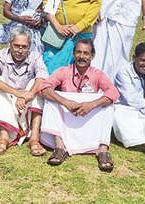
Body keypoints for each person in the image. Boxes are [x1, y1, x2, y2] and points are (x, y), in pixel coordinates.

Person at [39, 39, 119, 172]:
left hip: (88, 117)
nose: (82, 56)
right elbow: (44, 88)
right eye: (79, 52)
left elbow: (114, 92)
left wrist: (91, 105)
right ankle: (60, 148)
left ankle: (103, 150)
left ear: (92, 56)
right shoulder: (63, 71)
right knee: (51, 100)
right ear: (73, 54)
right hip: (67, 114)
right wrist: (66, 102)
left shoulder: (97, 74)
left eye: (86, 53)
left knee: (109, 104)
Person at [0, 26, 48, 156]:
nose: (20, 50)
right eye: (16, 46)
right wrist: (17, 93)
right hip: (7, 100)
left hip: (26, 102)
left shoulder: (35, 56)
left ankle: (34, 139)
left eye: (24, 47)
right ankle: (4, 136)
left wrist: (28, 94)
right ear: (10, 43)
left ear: (29, 46)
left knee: (38, 85)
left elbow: (43, 76)